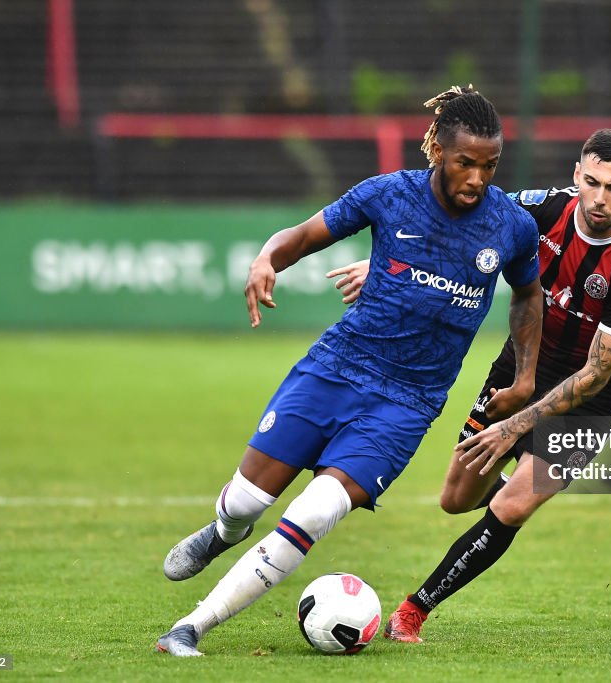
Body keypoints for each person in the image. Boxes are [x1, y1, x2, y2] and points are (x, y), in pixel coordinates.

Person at [154, 85, 544, 657]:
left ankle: (191, 626)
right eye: (466, 163)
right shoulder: (388, 195)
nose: (478, 178)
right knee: (244, 505)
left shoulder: (511, 226)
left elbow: (527, 295)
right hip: (337, 368)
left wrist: (527, 374)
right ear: (437, 149)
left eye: (490, 166)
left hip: (408, 403)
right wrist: (267, 259)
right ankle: (223, 533)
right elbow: (306, 236)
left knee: (315, 511)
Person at [329, 129, 611, 643]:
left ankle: (413, 612)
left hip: (588, 402)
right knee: (456, 499)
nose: (599, 199)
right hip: (517, 369)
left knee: (510, 508)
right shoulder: (542, 210)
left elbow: (596, 374)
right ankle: (518, 486)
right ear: (577, 175)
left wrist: (517, 427)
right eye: (592, 182)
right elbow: (461, 225)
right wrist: (383, 264)